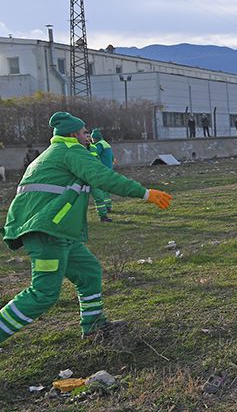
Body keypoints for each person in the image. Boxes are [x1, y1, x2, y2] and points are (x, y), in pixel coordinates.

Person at [0, 112, 173, 345]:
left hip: (58, 232)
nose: (88, 136)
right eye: (84, 132)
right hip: (48, 233)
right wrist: (145, 193)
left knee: (89, 271)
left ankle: (94, 327)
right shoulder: (71, 152)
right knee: (43, 293)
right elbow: (103, 178)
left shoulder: (56, 152)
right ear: (73, 134)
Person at [90, 129, 114, 213]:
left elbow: (94, 154)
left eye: (92, 138)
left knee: (101, 189)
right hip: (109, 169)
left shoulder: (99, 145)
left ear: (95, 138)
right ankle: (108, 206)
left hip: (102, 169)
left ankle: (103, 208)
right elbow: (112, 158)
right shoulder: (106, 144)